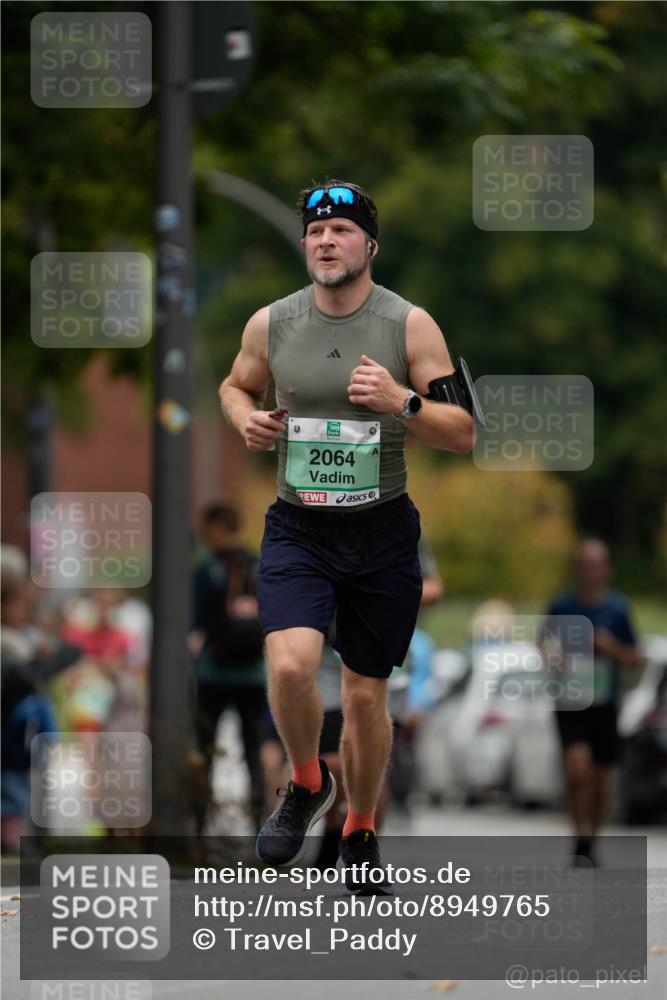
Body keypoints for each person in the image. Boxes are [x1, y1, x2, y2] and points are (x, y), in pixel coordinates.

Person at [218, 179, 474, 892]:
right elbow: (235, 385)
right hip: (299, 525)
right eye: (315, 231)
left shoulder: (409, 326)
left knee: (365, 697)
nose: (325, 241)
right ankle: (305, 784)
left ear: (369, 245)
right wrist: (244, 416)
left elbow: (462, 431)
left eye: (340, 230)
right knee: (293, 667)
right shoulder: (271, 323)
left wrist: (401, 400)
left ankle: (360, 829)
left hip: (382, 530)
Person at [544, 538, 642, 866]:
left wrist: (611, 647)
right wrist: (553, 655)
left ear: (607, 569)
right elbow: (542, 642)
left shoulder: (618, 609)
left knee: (600, 780)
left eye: (597, 563)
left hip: (604, 702)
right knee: (577, 770)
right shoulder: (562, 605)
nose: (591, 570)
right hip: (570, 701)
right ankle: (579, 836)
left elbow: (635, 657)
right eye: (585, 563)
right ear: (577, 568)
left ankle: (592, 839)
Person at [189, 502, 267, 834]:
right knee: (254, 746)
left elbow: (195, 619)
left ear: (218, 527)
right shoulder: (258, 563)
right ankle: (259, 817)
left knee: (205, 745)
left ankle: (199, 821)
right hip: (253, 673)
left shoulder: (208, 568)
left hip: (214, 672)